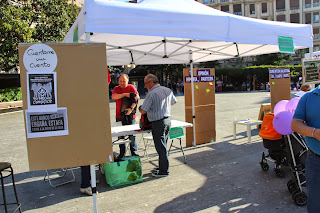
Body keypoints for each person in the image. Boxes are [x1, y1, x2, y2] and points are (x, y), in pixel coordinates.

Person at [291, 66, 320, 212]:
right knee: (316, 204)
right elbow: (295, 124)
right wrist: (314, 132)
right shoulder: (308, 97)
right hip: (316, 161)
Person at [139, 74, 177, 177]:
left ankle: (164, 171)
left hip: (158, 122)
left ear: (151, 82)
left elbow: (143, 110)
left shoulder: (151, 94)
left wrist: (140, 108)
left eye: (146, 83)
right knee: (163, 146)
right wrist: (163, 106)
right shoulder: (167, 90)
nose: (145, 86)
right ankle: (163, 167)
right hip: (167, 120)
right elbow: (174, 102)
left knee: (161, 148)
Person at [112, 74, 140, 159]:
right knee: (120, 136)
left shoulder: (131, 87)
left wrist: (131, 109)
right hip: (119, 116)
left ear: (128, 81)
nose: (122, 83)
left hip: (131, 115)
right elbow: (113, 96)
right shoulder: (116, 88)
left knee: (132, 135)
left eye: (124, 81)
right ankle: (122, 153)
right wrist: (125, 94)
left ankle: (134, 152)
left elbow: (137, 98)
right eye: (120, 81)